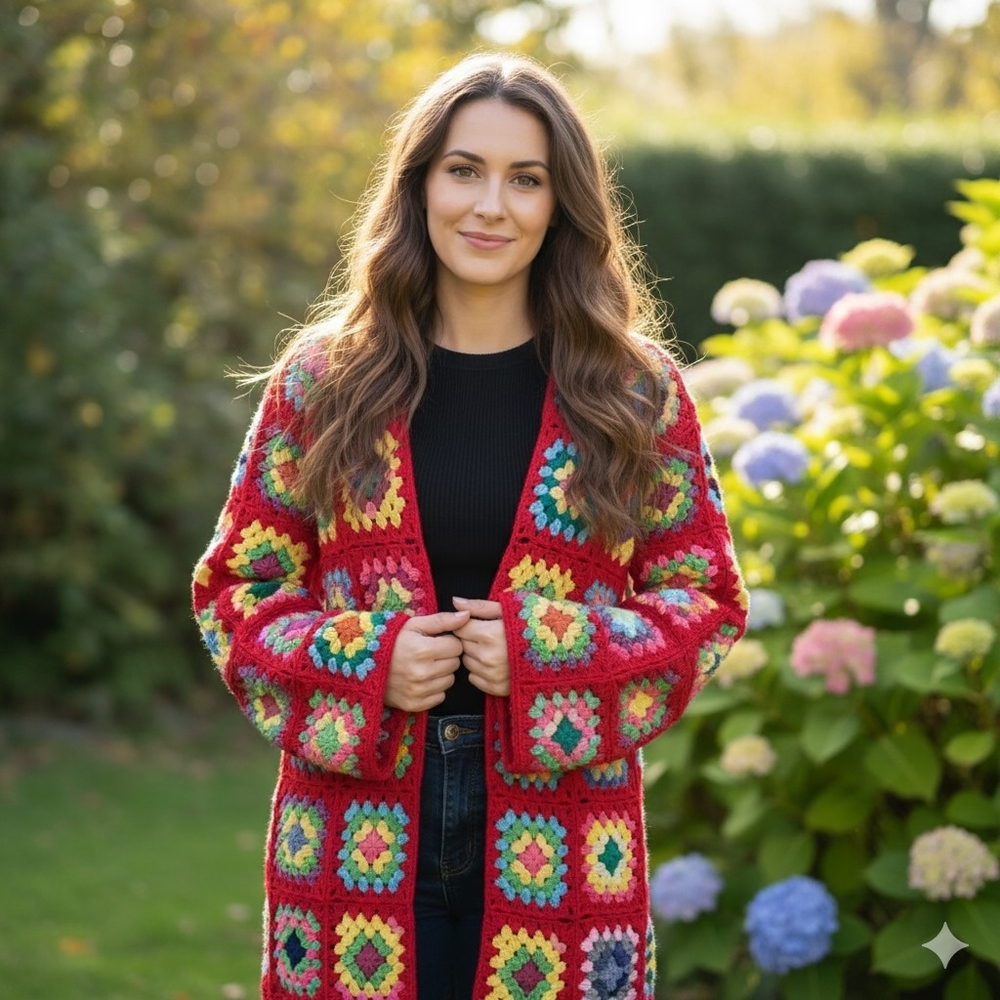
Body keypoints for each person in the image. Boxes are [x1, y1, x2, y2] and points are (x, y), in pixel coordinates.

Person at [192, 51, 748, 1000]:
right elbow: (234, 593)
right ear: (419, 186)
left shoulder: (633, 391)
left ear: (560, 203)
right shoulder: (322, 384)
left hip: (566, 840)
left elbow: (705, 601)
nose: (491, 205)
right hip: (349, 842)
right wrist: (367, 662)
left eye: (525, 179)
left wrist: (549, 654)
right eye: (464, 170)